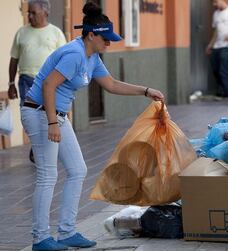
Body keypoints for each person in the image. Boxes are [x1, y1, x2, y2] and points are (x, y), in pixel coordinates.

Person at [22, 2, 164, 251]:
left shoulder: (92, 56)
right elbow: (48, 86)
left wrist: (145, 91)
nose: (109, 43)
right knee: (48, 175)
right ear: (91, 35)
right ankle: (40, 238)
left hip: (56, 114)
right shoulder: (75, 54)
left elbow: (111, 84)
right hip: (40, 112)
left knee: (77, 169)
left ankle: (66, 232)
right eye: (105, 39)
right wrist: (53, 122)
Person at [7, 0, 66, 163]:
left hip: (50, 82)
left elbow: (64, 60)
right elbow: (14, 59)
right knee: (28, 116)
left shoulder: (56, 33)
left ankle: (39, 147)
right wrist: (11, 83)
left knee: (48, 116)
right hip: (27, 80)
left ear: (45, 12)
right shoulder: (21, 32)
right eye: (28, 13)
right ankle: (37, 144)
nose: (29, 16)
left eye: (33, 13)